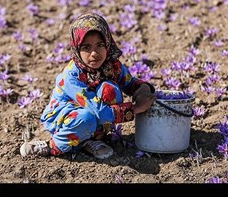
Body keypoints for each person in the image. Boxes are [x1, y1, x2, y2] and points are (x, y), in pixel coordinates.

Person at [20, 12, 156, 159]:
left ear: (108, 43)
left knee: (109, 90)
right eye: (86, 47)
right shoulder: (71, 76)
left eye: (100, 45)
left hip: (91, 116)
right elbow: (98, 110)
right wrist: (136, 108)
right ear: (77, 49)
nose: (94, 53)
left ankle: (90, 140)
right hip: (66, 119)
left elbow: (130, 82)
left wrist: (143, 89)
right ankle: (52, 145)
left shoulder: (112, 66)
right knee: (86, 118)